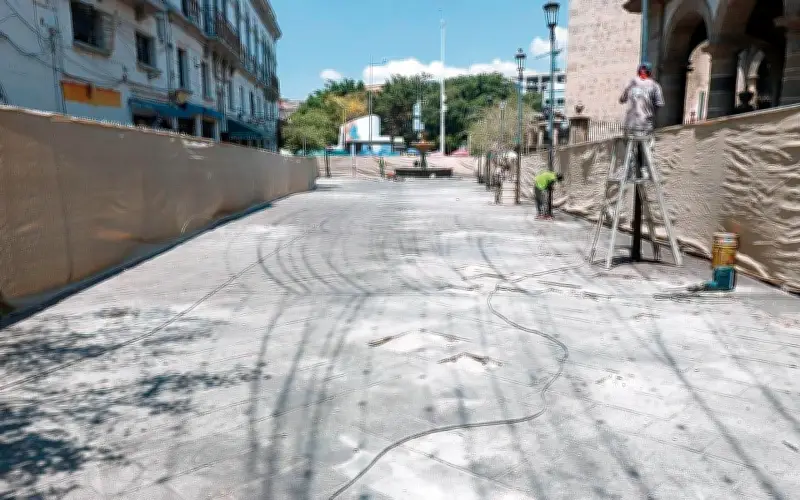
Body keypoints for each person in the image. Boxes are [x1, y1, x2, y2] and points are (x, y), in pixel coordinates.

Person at [619, 62, 664, 179]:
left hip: (633, 123)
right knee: (646, 146)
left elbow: (622, 99)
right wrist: (650, 112)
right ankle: (642, 170)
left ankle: (632, 170)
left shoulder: (633, 83)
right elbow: (659, 104)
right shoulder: (654, 85)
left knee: (631, 145)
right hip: (642, 122)